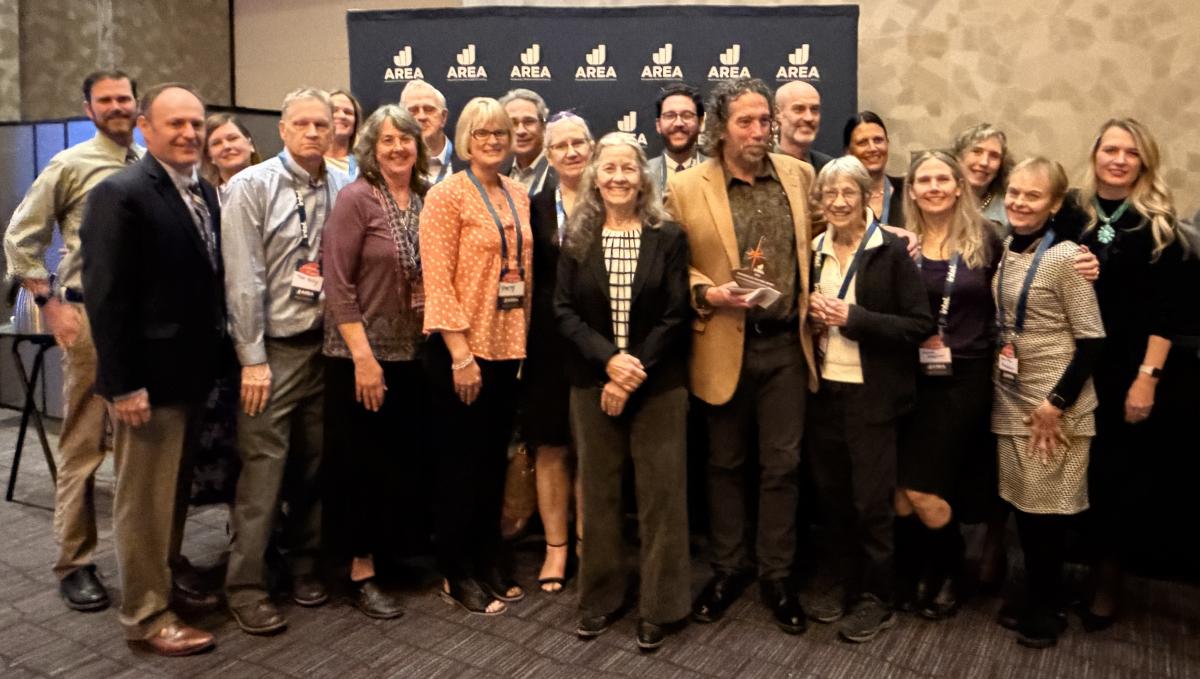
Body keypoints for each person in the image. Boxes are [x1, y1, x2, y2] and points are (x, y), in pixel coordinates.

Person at [80, 81, 232, 656]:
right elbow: (106, 298)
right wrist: (122, 386)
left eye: (197, 123)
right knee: (143, 503)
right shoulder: (119, 193)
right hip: (147, 383)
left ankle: (164, 588)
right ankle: (146, 616)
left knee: (171, 497)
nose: (190, 133)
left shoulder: (202, 191)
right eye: (176, 124)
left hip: (190, 377)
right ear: (145, 127)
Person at [666, 78, 815, 636]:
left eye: (764, 120)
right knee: (724, 464)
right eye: (745, 121)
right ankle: (729, 569)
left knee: (783, 466)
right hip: (723, 341)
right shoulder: (686, 186)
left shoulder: (798, 176)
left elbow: (829, 236)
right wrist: (708, 292)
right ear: (720, 128)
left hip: (786, 346)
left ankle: (777, 575)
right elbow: (670, 264)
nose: (758, 131)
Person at [4, 69, 141, 614]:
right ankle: (75, 562)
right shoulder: (70, 163)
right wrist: (51, 306)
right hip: (90, 321)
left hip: (142, 327)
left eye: (124, 98)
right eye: (106, 100)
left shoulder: (146, 165)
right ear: (89, 109)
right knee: (84, 445)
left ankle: (144, 557)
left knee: (139, 448)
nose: (117, 106)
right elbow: (21, 239)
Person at [221, 87, 352, 635]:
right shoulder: (251, 186)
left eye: (321, 124)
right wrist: (252, 359)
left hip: (326, 349)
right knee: (263, 473)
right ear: (281, 129)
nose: (313, 133)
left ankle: (304, 566)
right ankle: (246, 587)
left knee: (316, 466)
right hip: (272, 352)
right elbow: (242, 279)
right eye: (301, 124)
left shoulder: (343, 183)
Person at [556, 132, 692, 651]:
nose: (618, 178)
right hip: (593, 383)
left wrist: (632, 370)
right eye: (608, 168)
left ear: (644, 178)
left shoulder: (669, 236)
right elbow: (563, 311)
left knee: (662, 497)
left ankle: (662, 605)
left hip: (658, 385)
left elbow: (676, 314)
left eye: (628, 169)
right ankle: (600, 598)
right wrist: (609, 363)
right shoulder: (576, 236)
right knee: (600, 494)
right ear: (595, 177)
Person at [804, 155, 933, 643]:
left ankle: (879, 597)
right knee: (833, 497)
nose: (839, 202)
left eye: (848, 193)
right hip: (823, 391)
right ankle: (846, 583)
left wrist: (852, 318)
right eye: (830, 193)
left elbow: (919, 325)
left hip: (872, 396)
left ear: (866, 198)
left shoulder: (890, 251)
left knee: (871, 502)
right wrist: (812, 316)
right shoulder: (813, 250)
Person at [1071, 118, 1186, 631]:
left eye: (1131, 153)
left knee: (1115, 476)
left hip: (1127, 369)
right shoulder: (1072, 213)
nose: (1119, 160)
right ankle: (1070, 571)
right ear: (1095, 154)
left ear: (1144, 162)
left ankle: (1108, 581)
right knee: (1074, 470)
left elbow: (1169, 314)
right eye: (1110, 149)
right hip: (1073, 363)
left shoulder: (1158, 226)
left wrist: (1148, 378)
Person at [419, 96, 532, 615]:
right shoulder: (446, 195)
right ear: (465, 139)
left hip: (507, 349)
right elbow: (437, 281)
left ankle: (487, 557)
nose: (492, 141)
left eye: (500, 133)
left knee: (491, 463)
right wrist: (461, 356)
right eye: (482, 133)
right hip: (461, 352)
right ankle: (455, 569)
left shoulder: (518, 193)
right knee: (458, 467)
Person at [991, 157, 1104, 648]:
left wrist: (1056, 402)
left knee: (1047, 513)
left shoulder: (1065, 258)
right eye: (1014, 192)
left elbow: (1093, 340)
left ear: (1055, 204)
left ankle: (1048, 608)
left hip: (1054, 404)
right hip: (1012, 396)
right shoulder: (1007, 247)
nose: (1019, 202)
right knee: (1024, 506)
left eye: (1033, 195)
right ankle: (1037, 593)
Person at [322, 105, 429, 620]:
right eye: (387, 140)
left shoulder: (427, 197)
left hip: (412, 354)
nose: (397, 148)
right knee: (358, 466)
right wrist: (364, 359)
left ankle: (388, 555)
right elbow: (337, 282)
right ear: (372, 148)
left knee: (397, 463)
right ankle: (358, 571)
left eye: (406, 139)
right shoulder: (355, 198)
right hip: (359, 356)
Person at [894, 150, 1001, 620]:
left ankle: (953, 571)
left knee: (923, 489)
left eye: (943, 179)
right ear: (912, 190)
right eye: (924, 180)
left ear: (959, 187)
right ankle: (922, 571)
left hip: (964, 379)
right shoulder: (902, 242)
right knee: (900, 493)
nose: (934, 187)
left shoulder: (988, 239)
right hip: (908, 376)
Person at [523, 111, 593, 593]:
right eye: (561, 146)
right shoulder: (534, 207)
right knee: (550, 446)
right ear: (548, 155)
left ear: (592, 147)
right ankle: (555, 547)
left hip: (597, 341)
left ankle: (590, 542)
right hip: (546, 343)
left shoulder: (611, 200)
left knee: (592, 447)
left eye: (578, 143)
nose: (571, 152)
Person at [843, 111, 903, 226]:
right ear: (848, 152)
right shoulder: (840, 199)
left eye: (878, 140)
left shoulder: (908, 192)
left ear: (887, 143)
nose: (872, 148)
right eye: (862, 142)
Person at [646, 82, 707, 193]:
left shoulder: (719, 173)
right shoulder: (643, 174)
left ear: (701, 123)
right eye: (670, 116)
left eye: (687, 115)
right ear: (658, 125)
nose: (678, 123)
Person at [953, 123, 1011, 226]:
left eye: (994, 156)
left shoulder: (1009, 210)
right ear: (959, 158)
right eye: (977, 152)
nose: (984, 162)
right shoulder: (939, 201)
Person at [401, 79, 455, 185]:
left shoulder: (467, 163)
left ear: (443, 117)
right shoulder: (393, 165)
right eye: (413, 111)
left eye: (429, 109)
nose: (421, 117)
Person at [499, 88, 550, 194]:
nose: (521, 131)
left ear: (543, 126)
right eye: (513, 123)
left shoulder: (561, 169)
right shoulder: (497, 172)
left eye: (529, 121)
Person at [201, 113, 261, 203]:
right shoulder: (205, 201)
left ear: (250, 144)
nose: (226, 146)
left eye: (233, 138)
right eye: (216, 143)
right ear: (209, 157)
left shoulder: (276, 186)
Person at [775, 80, 832, 173]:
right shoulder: (760, 168)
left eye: (814, 109)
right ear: (777, 114)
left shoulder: (828, 170)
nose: (809, 118)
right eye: (799, 109)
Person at [327, 89, 363, 177]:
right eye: (334, 110)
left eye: (348, 112)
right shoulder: (310, 162)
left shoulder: (362, 167)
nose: (342, 116)